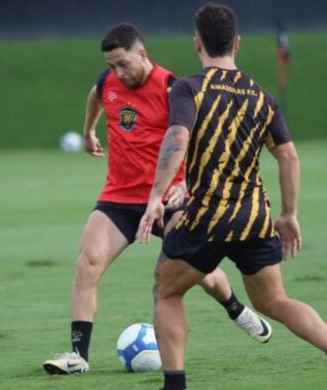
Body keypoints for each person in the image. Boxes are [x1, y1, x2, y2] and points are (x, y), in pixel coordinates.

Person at [136, 3, 327, 390]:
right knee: (275, 302)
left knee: (166, 291)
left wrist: (155, 197)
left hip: (206, 216)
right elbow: (288, 155)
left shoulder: (189, 88)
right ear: (237, 42)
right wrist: (289, 214)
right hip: (255, 216)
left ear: (196, 43)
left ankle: (175, 384)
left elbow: (178, 137)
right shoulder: (262, 96)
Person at [43, 23, 273, 376]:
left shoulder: (172, 88)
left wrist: (187, 186)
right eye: (110, 65)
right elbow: (96, 94)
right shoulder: (108, 83)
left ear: (142, 54)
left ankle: (235, 308)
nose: (117, 72)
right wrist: (89, 131)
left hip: (169, 199)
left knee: (201, 273)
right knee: (87, 263)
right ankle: (78, 356)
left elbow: (195, 139)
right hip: (118, 198)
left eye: (122, 63)